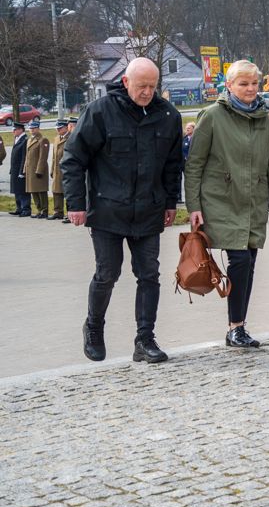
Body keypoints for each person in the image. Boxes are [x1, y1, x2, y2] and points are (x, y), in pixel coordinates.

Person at [62, 57, 184, 364]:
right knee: (108, 273)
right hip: (108, 210)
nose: (147, 92)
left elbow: (173, 165)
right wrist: (76, 204)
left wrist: (171, 202)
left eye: (152, 86)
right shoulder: (100, 111)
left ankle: (145, 339)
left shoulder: (168, 115)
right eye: (141, 86)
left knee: (149, 274)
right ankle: (94, 326)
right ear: (126, 82)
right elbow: (73, 159)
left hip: (149, 209)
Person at [185, 60, 269, 348]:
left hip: (254, 201)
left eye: (254, 83)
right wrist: (194, 206)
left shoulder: (263, 119)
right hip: (221, 200)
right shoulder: (212, 116)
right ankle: (236, 327)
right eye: (243, 84)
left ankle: (238, 326)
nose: (251, 89)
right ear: (229, 85)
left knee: (249, 261)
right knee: (240, 260)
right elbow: (194, 164)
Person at [25, 119, 51, 218]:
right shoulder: (29, 140)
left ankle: (44, 211)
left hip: (39, 170)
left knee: (41, 191)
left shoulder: (43, 140)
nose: (32, 130)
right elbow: (27, 156)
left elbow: (43, 157)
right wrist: (25, 169)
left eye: (34, 128)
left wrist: (39, 170)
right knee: (33, 191)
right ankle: (39, 210)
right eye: (30, 128)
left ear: (38, 129)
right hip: (30, 170)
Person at [7, 122, 30, 216]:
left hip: (20, 169)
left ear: (20, 130)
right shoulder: (17, 139)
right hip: (15, 169)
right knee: (16, 189)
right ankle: (19, 208)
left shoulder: (24, 140)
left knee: (22, 190)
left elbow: (24, 157)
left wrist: (22, 171)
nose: (13, 132)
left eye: (15, 130)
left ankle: (26, 209)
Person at [51, 118, 70, 222]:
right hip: (57, 170)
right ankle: (58, 212)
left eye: (60, 128)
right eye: (57, 128)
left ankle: (70, 213)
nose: (58, 130)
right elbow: (54, 157)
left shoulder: (70, 138)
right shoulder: (56, 138)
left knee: (68, 192)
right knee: (56, 191)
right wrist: (52, 170)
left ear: (66, 128)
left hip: (66, 170)